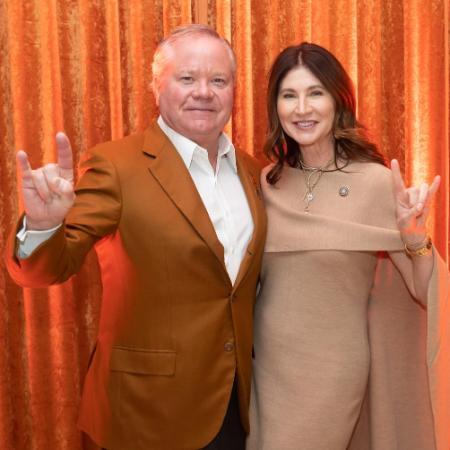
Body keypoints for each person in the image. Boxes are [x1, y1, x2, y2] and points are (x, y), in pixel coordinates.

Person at [5, 24, 267, 450]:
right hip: (145, 414)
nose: (204, 92)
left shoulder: (254, 172)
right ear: (156, 87)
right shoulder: (116, 166)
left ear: (234, 91)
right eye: (187, 78)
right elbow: (45, 270)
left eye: (218, 80)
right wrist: (43, 225)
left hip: (233, 408)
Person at [247, 42, 450, 450]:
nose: (302, 108)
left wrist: (415, 239)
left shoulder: (376, 182)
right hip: (265, 371)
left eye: (315, 93)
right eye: (289, 95)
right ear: (275, 107)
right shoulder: (264, 182)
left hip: (333, 371)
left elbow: (421, 289)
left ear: (338, 101)